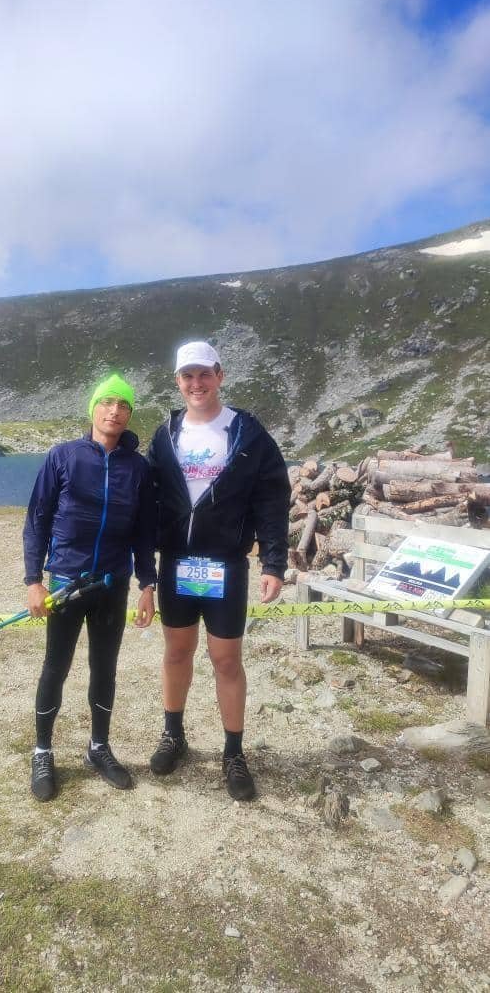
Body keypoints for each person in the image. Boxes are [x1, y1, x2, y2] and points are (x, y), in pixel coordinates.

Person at [146, 341, 290, 801]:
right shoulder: (165, 434)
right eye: (188, 376)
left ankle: (233, 753)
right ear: (178, 382)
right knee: (176, 653)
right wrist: (141, 566)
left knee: (226, 660)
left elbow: (272, 499)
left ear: (220, 376)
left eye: (204, 374)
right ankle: (174, 736)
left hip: (225, 565)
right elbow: (146, 500)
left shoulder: (247, 432)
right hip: (177, 563)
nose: (197, 383)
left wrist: (273, 562)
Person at [23, 374, 157, 802]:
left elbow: (143, 532)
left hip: (112, 584)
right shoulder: (62, 456)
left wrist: (148, 584)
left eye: (124, 405)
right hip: (65, 582)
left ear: (130, 414)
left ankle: (98, 748)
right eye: (107, 402)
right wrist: (33, 581)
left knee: (105, 667)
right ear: (93, 407)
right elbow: (37, 521)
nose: (115, 411)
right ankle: (42, 752)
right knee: (56, 666)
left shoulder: (137, 468)